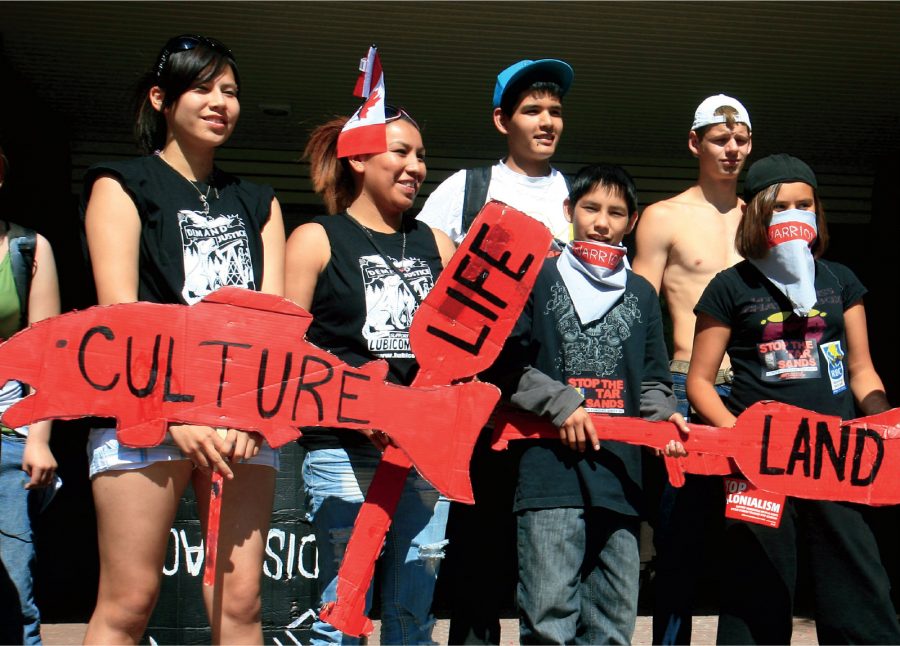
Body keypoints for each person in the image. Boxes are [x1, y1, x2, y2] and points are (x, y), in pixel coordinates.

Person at [80, 35, 285, 643]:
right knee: (130, 600)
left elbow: (271, 322)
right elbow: (119, 316)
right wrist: (174, 414)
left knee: (241, 601)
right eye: (203, 88)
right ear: (161, 99)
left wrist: (248, 416)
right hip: (146, 407)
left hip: (240, 418)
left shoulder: (258, 200)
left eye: (231, 91)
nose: (221, 101)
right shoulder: (121, 184)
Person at [687, 153, 900, 644]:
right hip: (758, 462)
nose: (794, 215)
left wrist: (884, 421)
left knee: (858, 584)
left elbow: (862, 369)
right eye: (781, 206)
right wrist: (741, 439)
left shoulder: (841, 281)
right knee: (755, 587)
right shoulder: (729, 286)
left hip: (837, 456)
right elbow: (699, 382)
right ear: (758, 211)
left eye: (805, 204)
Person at [485, 164, 688, 644]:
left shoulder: (640, 291)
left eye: (616, 213)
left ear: (632, 222)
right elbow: (502, 365)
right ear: (568, 211)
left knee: (614, 624)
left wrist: (665, 420)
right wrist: (562, 403)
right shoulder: (537, 278)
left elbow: (655, 382)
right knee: (548, 619)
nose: (602, 222)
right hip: (548, 477)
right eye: (591, 208)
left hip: (621, 480)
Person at [285, 106, 456, 644]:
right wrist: (364, 409)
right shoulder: (315, 238)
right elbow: (289, 351)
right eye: (401, 152)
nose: (416, 167)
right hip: (341, 446)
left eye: (421, 156)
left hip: (424, 450)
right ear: (359, 158)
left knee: (415, 611)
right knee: (341, 607)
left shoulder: (438, 243)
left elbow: (456, 354)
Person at [416, 57, 573, 645]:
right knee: (476, 549)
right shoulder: (467, 188)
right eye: (532, 109)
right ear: (501, 119)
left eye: (555, 111)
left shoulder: (578, 198)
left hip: (555, 397)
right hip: (480, 397)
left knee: (548, 549)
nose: (546, 121)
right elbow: (430, 281)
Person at [631, 93, 752, 644]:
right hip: (684, 384)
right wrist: (650, 394)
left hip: (751, 388)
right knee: (680, 535)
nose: (731, 149)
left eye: (741, 139)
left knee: (751, 531)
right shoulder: (663, 216)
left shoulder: (762, 218)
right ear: (694, 143)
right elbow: (636, 313)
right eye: (720, 139)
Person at [0, 143, 62, 645]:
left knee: (12, 591)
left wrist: (38, 437)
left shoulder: (27, 248)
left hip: (7, 435)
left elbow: (48, 355)